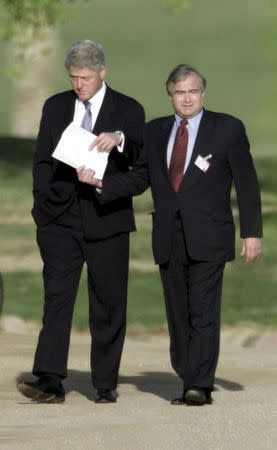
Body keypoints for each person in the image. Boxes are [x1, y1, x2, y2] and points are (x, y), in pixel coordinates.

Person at [77, 64, 263, 405]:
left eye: (193, 91)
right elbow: (140, 178)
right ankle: (187, 370)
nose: (187, 98)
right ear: (170, 96)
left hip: (210, 235)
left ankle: (198, 385)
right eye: (180, 93)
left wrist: (252, 233)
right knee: (178, 315)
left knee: (203, 311)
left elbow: (247, 184)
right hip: (168, 236)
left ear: (203, 94)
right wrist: (101, 182)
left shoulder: (228, 129)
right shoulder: (155, 131)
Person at [17, 40, 145, 403]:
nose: (79, 84)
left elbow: (141, 161)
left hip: (108, 218)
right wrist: (42, 205)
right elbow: (42, 159)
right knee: (56, 298)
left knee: (108, 301)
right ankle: (49, 378)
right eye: (73, 77)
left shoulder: (128, 109)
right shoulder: (56, 106)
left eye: (86, 77)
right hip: (59, 218)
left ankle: (105, 384)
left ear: (102, 72)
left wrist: (118, 141)